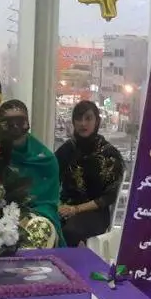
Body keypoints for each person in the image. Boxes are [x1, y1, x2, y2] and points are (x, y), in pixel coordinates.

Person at [55, 101, 124, 247]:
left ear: (97, 121)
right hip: (64, 208)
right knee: (42, 225)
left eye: (88, 118)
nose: (83, 123)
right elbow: (51, 178)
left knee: (70, 231)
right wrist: (57, 206)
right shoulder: (67, 150)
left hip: (94, 212)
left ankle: (72, 262)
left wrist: (76, 209)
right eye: (78, 119)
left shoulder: (108, 155)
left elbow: (108, 197)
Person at [0, 100, 63, 248]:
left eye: (19, 122)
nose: (15, 128)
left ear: (27, 124)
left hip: (36, 215)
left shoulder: (45, 160)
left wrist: (26, 218)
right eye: (9, 124)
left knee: (37, 230)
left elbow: (48, 203)